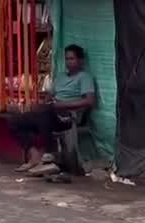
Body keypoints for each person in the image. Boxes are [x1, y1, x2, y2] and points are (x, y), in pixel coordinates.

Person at [9, 44, 96, 175]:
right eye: (67, 59)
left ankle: (50, 157)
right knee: (14, 120)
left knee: (46, 113)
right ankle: (35, 155)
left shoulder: (84, 77)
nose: (68, 62)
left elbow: (89, 101)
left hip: (67, 116)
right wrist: (40, 106)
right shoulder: (60, 77)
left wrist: (60, 105)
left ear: (80, 61)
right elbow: (49, 98)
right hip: (51, 111)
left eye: (72, 59)